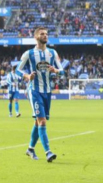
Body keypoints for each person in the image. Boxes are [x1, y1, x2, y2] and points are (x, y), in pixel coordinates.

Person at [16, 27, 64, 162]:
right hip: (34, 91)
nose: (45, 36)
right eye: (42, 34)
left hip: (47, 92)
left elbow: (62, 71)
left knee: (38, 122)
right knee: (42, 120)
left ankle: (30, 149)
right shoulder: (29, 53)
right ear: (36, 37)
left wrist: (56, 70)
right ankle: (48, 152)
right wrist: (26, 76)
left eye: (47, 34)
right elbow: (18, 70)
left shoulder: (52, 53)